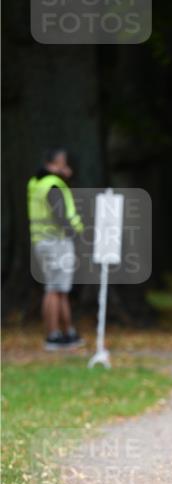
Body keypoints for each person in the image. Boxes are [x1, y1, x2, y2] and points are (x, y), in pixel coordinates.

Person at [27, 147, 85, 351]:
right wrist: (76, 234)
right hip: (55, 242)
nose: (66, 167)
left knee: (59, 289)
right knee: (54, 289)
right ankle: (53, 335)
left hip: (42, 241)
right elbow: (61, 215)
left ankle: (66, 333)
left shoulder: (36, 183)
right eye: (64, 163)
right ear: (57, 162)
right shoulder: (52, 184)